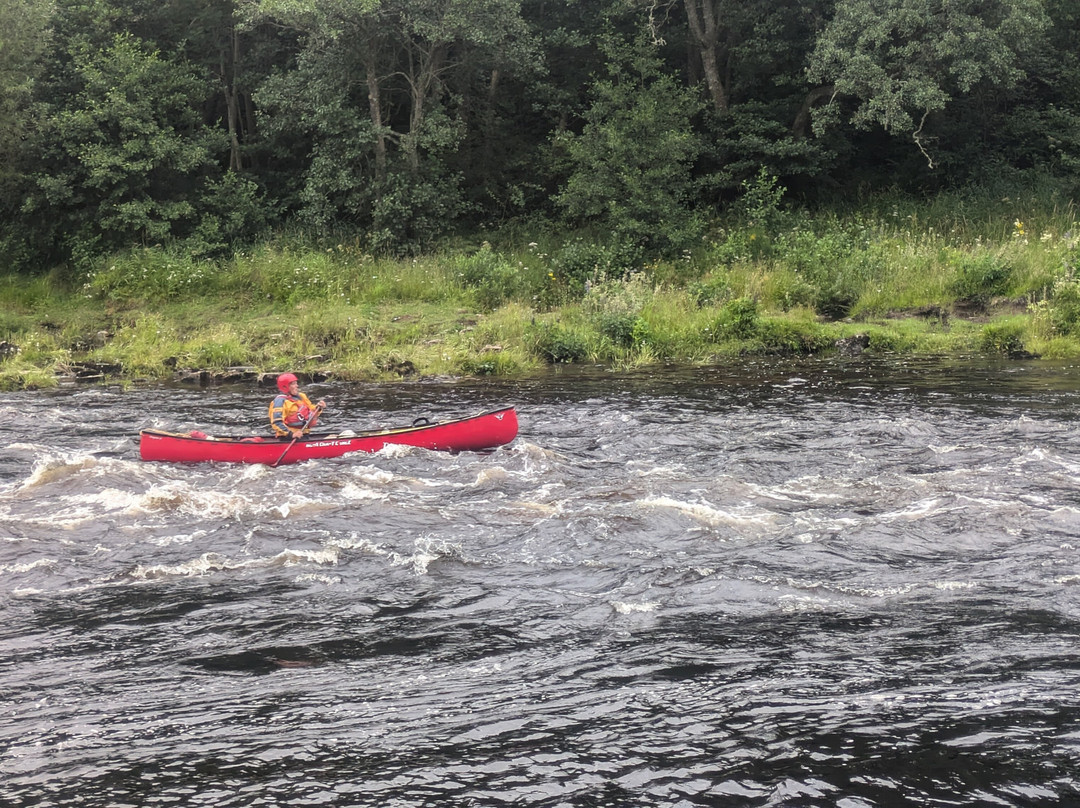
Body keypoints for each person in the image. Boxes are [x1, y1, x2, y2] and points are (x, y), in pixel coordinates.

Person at [269, 373, 327, 439]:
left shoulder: (301, 396)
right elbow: (276, 422)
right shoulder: (279, 402)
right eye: (293, 384)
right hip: (289, 438)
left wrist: (318, 408)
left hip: (304, 434)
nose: (297, 386)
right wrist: (291, 434)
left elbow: (311, 410)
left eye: (296, 383)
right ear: (285, 386)